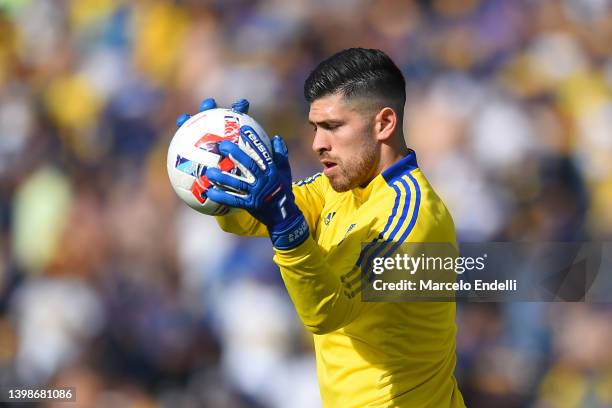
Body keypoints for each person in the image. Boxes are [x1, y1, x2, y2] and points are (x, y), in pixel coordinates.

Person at [177, 48, 465, 407]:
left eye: (333, 127)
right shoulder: (338, 189)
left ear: (384, 124)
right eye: (315, 128)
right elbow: (253, 217)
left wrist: (288, 230)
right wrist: (222, 173)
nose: (317, 144)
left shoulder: (412, 218)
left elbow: (330, 311)